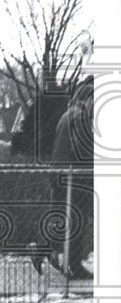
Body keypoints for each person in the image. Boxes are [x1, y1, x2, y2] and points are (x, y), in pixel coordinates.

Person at [49, 73, 94, 279]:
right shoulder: (80, 116)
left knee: (69, 217)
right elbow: (83, 148)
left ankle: (57, 252)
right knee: (78, 218)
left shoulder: (69, 114)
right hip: (74, 175)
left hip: (61, 172)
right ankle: (73, 264)